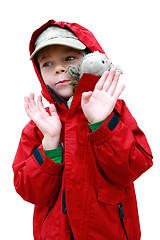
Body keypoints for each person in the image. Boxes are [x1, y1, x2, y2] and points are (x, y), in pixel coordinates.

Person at [12, 19, 153, 240]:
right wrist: (50, 141)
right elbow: (30, 192)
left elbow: (134, 166)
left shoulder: (113, 109)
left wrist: (102, 124)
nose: (59, 68)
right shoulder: (38, 124)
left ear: (90, 58)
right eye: (47, 63)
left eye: (69, 58)